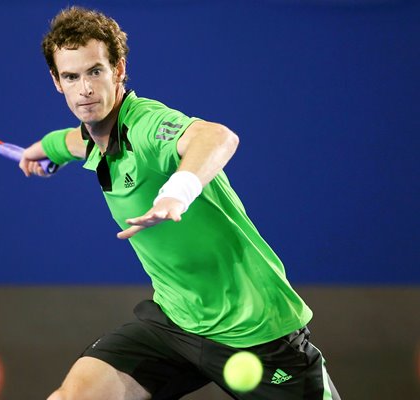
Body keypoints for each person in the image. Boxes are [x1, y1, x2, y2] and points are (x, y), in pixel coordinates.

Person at [20, 6, 340, 400]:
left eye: (95, 71)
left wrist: (177, 191)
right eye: (71, 76)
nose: (84, 88)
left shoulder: (145, 124)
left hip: (255, 329)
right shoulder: (91, 137)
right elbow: (70, 141)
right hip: (175, 321)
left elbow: (217, 137)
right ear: (57, 81)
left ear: (119, 69)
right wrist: (42, 150)